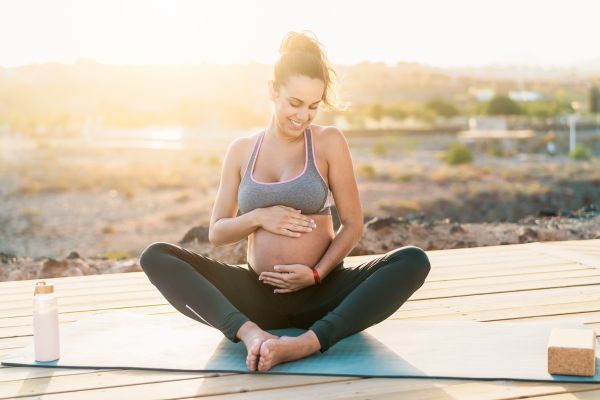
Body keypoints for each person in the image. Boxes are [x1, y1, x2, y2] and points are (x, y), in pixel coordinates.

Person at [138, 31, 431, 372]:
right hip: (255, 297)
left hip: (323, 294)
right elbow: (217, 233)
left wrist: (316, 274)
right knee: (156, 256)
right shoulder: (241, 151)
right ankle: (251, 335)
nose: (303, 116)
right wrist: (258, 216)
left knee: (413, 261)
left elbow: (352, 224)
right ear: (273, 91)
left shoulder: (328, 143)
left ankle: (306, 343)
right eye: (295, 103)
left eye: (313, 107)